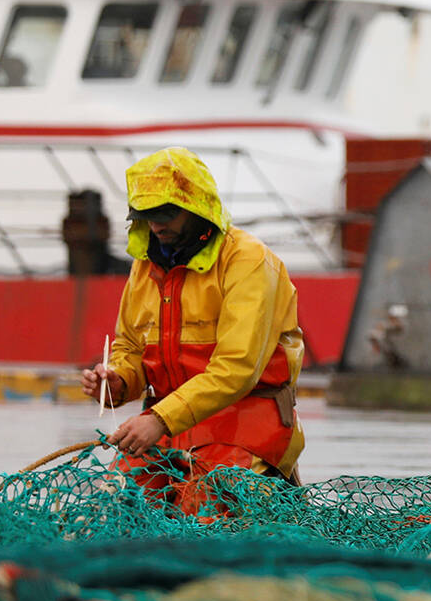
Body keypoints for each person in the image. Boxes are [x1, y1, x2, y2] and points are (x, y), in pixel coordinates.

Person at [81, 146, 306, 514]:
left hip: (244, 432)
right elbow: (131, 348)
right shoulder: (144, 266)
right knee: (114, 507)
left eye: (166, 214)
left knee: (204, 511)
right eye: (146, 215)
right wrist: (118, 381)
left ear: (198, 208)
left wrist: (158, 419)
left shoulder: (247, 261)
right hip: (165, 434)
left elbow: (237, 369)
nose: (156, 225)